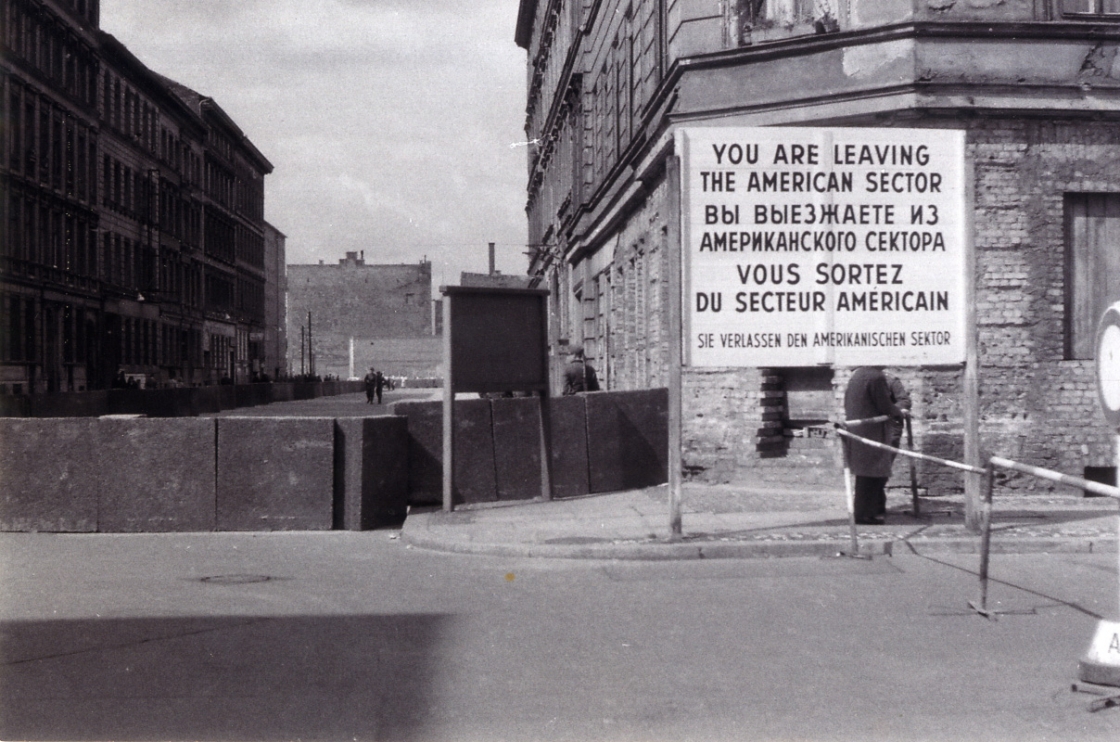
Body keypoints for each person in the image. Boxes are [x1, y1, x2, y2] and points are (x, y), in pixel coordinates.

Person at [843, 366, 906, 525]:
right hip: (871, 432)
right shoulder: (875, 377)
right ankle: (865, 514)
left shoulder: (858, 375)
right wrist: (898, 412)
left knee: (867, 474)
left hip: (861, 430)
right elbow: (884, 405)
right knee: (871, 475)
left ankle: (871, 510)